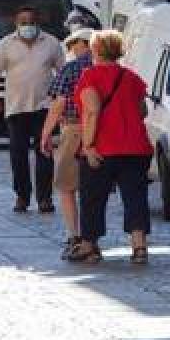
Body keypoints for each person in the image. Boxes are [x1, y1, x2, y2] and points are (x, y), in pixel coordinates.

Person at [67, 30, 153, 265]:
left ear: (95, 50)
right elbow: (142, 110)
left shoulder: (89, 77)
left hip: (103, 147)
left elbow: (92, 111)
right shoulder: (132, 77)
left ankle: (89, 245)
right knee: (135, 197)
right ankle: (139, 246)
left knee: (93, 197)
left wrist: (88, 145)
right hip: (135, 147)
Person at [0, 6, 64, 213]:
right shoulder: (6, 44)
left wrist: (63, 101)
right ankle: (22, 195)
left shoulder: (52, 43)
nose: (27, 26)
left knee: (45, 152)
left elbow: (62, 72)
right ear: (16, 24)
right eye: (23, 22)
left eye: (31, 21)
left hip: (44, 106)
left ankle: (45, 197)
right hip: (16, 107)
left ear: (38, 22)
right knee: (17, 154)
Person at [39, 28, 95, 258]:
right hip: (102, 132)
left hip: (74, 129)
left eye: (73, 45)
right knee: (92, 189)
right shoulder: (110, 67)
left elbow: (58, 104)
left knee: (66, 186)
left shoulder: (72, 68)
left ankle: (74, 236)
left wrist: (45, 133)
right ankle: (92, 237)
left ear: (84, 43)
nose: (71, 50)